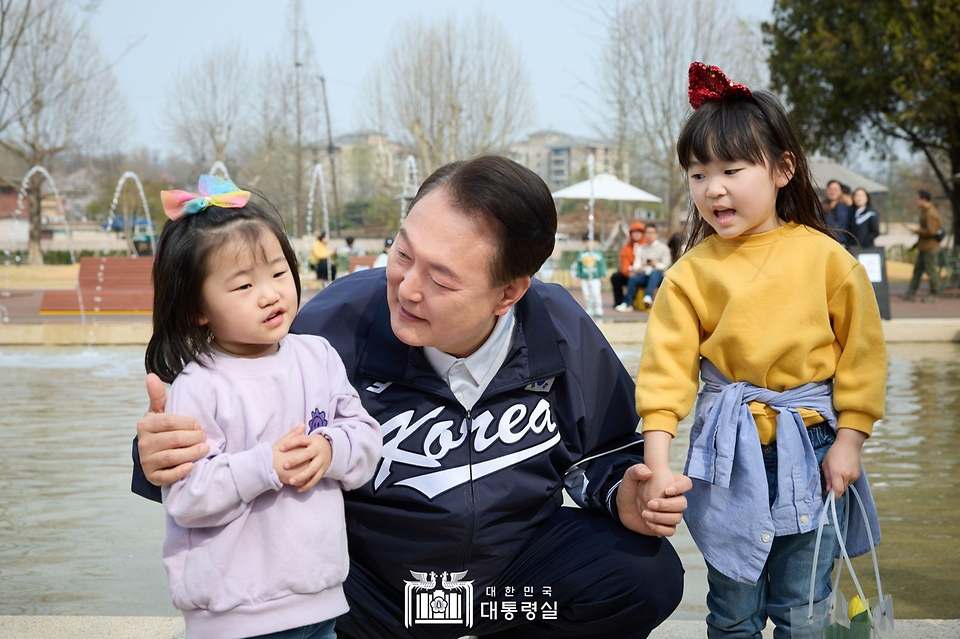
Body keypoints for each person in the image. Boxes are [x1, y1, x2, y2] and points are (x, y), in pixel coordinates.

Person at [133, 156, 691, 639]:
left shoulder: (559, 329)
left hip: (502, 591)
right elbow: (220, 415)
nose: (407, 288)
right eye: (402, 254)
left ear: (509, 292)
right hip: (372, 595)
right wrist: (156, 454)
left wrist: (622, 493)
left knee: (644, 574)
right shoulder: (334, 323)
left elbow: (607, 452)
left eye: (442, 280)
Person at [635, 63, 886, 638]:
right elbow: (665, 376)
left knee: (803, 602)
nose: (713, 187)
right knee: (733, 605)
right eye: (697, 174)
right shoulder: (689, 274)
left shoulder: (828, 260)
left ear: (782, 169)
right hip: (727, 453)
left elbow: (862, 361)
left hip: (814, 445)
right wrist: (656, 464)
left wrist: (850, 441)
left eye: (731, 169)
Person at [149, 175, 382, 638]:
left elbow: (366, 440)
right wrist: (266, 466)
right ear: (197, 308)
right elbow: (188, 498)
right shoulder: (200, 385)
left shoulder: (317, 356)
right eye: (242, 286)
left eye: (277, 273)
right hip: (234, 611)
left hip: (319, 599)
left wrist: (331, 449)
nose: (271, 293)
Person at [615, 223, 672, 312]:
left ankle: (648, 296)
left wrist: (655, 265)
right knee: (633, 279)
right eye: (647, 233)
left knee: (654, 274)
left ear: (656, 234)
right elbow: (636, 264)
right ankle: (627, 303)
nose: (649, 235)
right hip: (645, 273)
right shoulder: (641, 248)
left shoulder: (663, 248)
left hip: (659, 274)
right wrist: (638, 268)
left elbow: (666, 264)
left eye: (651, 233)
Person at [903, 190, 943, 303]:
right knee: (917, 271)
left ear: (924, 200)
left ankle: (935, 294)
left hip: (931, 247)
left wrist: (916, 230)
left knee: (931, 271)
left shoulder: (930, 213)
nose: (916, 202)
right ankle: (910, 292)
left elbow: (931, 231)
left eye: (917, 199)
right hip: (923, 247)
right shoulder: (925, 211)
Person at [609, 221, 645, 308]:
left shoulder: (646, 246)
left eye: (639, 232)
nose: (636, 234)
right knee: (616, 277)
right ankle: (620, 302)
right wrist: (628, 272)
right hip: (631, 273)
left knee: (635, 279)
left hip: (643, 273)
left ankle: (629, 302)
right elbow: (624, 264)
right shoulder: (626, 248)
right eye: (634, 232)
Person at [571, 232, 606, 318]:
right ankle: (589, 308)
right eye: (586, 242)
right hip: (584, 278)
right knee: (586, 294)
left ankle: (598, 308)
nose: (588, 244)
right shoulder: (582, 254)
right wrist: (578, 276)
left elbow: (602, 265)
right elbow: (578, 266)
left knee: (596, 293)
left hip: (595, 277)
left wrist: (602, 275)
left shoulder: (598, 254)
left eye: (590, 242)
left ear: (595, 243)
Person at [822, 179, 851, 246]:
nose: (832, 192)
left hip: (842, 244)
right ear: (826, 190)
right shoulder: (819, 207)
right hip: (824, 243)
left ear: (841, 192)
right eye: (830, 189)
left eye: (835, 189)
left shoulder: (846, 208)